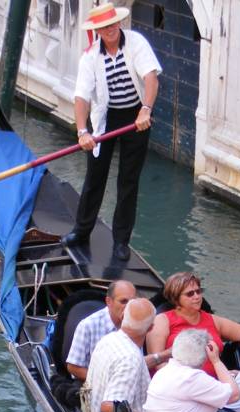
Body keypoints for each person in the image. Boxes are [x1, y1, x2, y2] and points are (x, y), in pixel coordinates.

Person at [61, 3, 161, 262]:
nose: (110, 29)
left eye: (112, 24)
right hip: (104, 118)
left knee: (128, 181)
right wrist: (82, 131)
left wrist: (146, 110)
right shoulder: (91, 57)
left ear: (119, 23)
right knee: (95, 177)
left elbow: (151, 78)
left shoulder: (136, 43)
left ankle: (121, 241)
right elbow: (82, 97)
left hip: (136, 117)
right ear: (98, 29)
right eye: (104, 26)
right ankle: (82, 231)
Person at [145, 272, 240, 378]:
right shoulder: (161, 321)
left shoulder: (213, 320)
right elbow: (158, 364)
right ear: (176, 298)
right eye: (190, 294)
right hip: (177, 383)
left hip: (214, 384)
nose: (197, 296)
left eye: (198, 291)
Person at [85, 298, 156, 412]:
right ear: (151, 327)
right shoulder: (130, 358)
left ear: (123, 316)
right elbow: (109, 406)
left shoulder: (108, 339)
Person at [66, 280, 137, 381]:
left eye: (132, 302)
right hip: (95, 384)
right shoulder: (88, 325)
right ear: (109, 302)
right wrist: (103, 381)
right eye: (123, 301)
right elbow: (73, 367)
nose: (129, 307)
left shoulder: (136, 323)